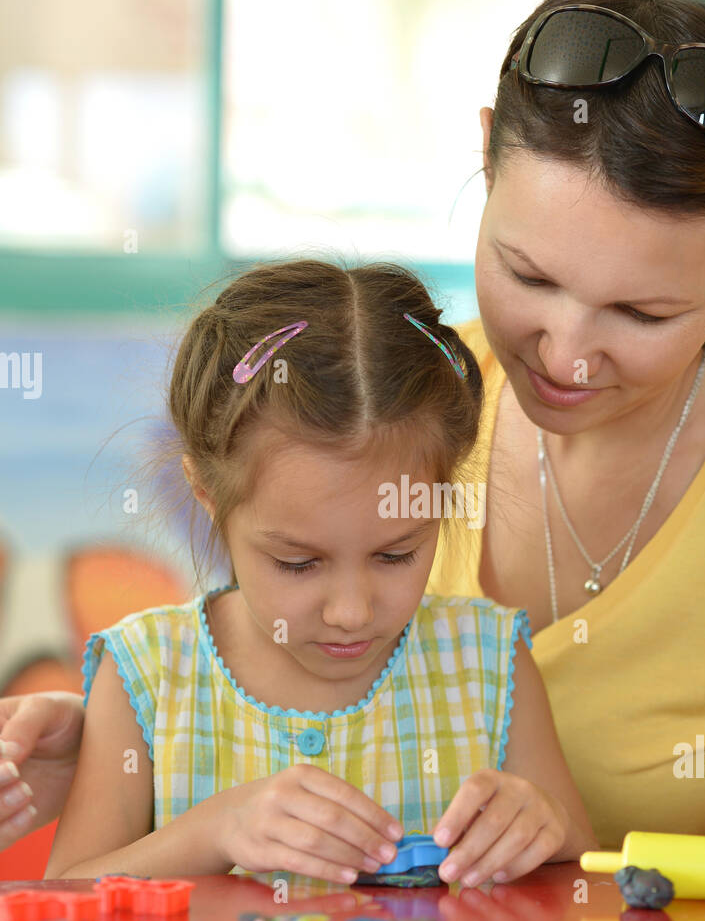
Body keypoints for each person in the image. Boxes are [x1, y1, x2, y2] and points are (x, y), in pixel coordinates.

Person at [5, 0, 705, 859]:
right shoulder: (405, 397)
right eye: (529, 277)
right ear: (488, 156)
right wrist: (126, 739)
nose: (563, 356)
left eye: (642, 315)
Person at [34, 259, 594, 882]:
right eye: (298, 563)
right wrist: (216, 830)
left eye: (396, 554)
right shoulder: (149, 674)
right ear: (206, 492)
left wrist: (544, 823)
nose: (351, 611)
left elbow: (576, 860)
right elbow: (64, 898)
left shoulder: (489, 662)